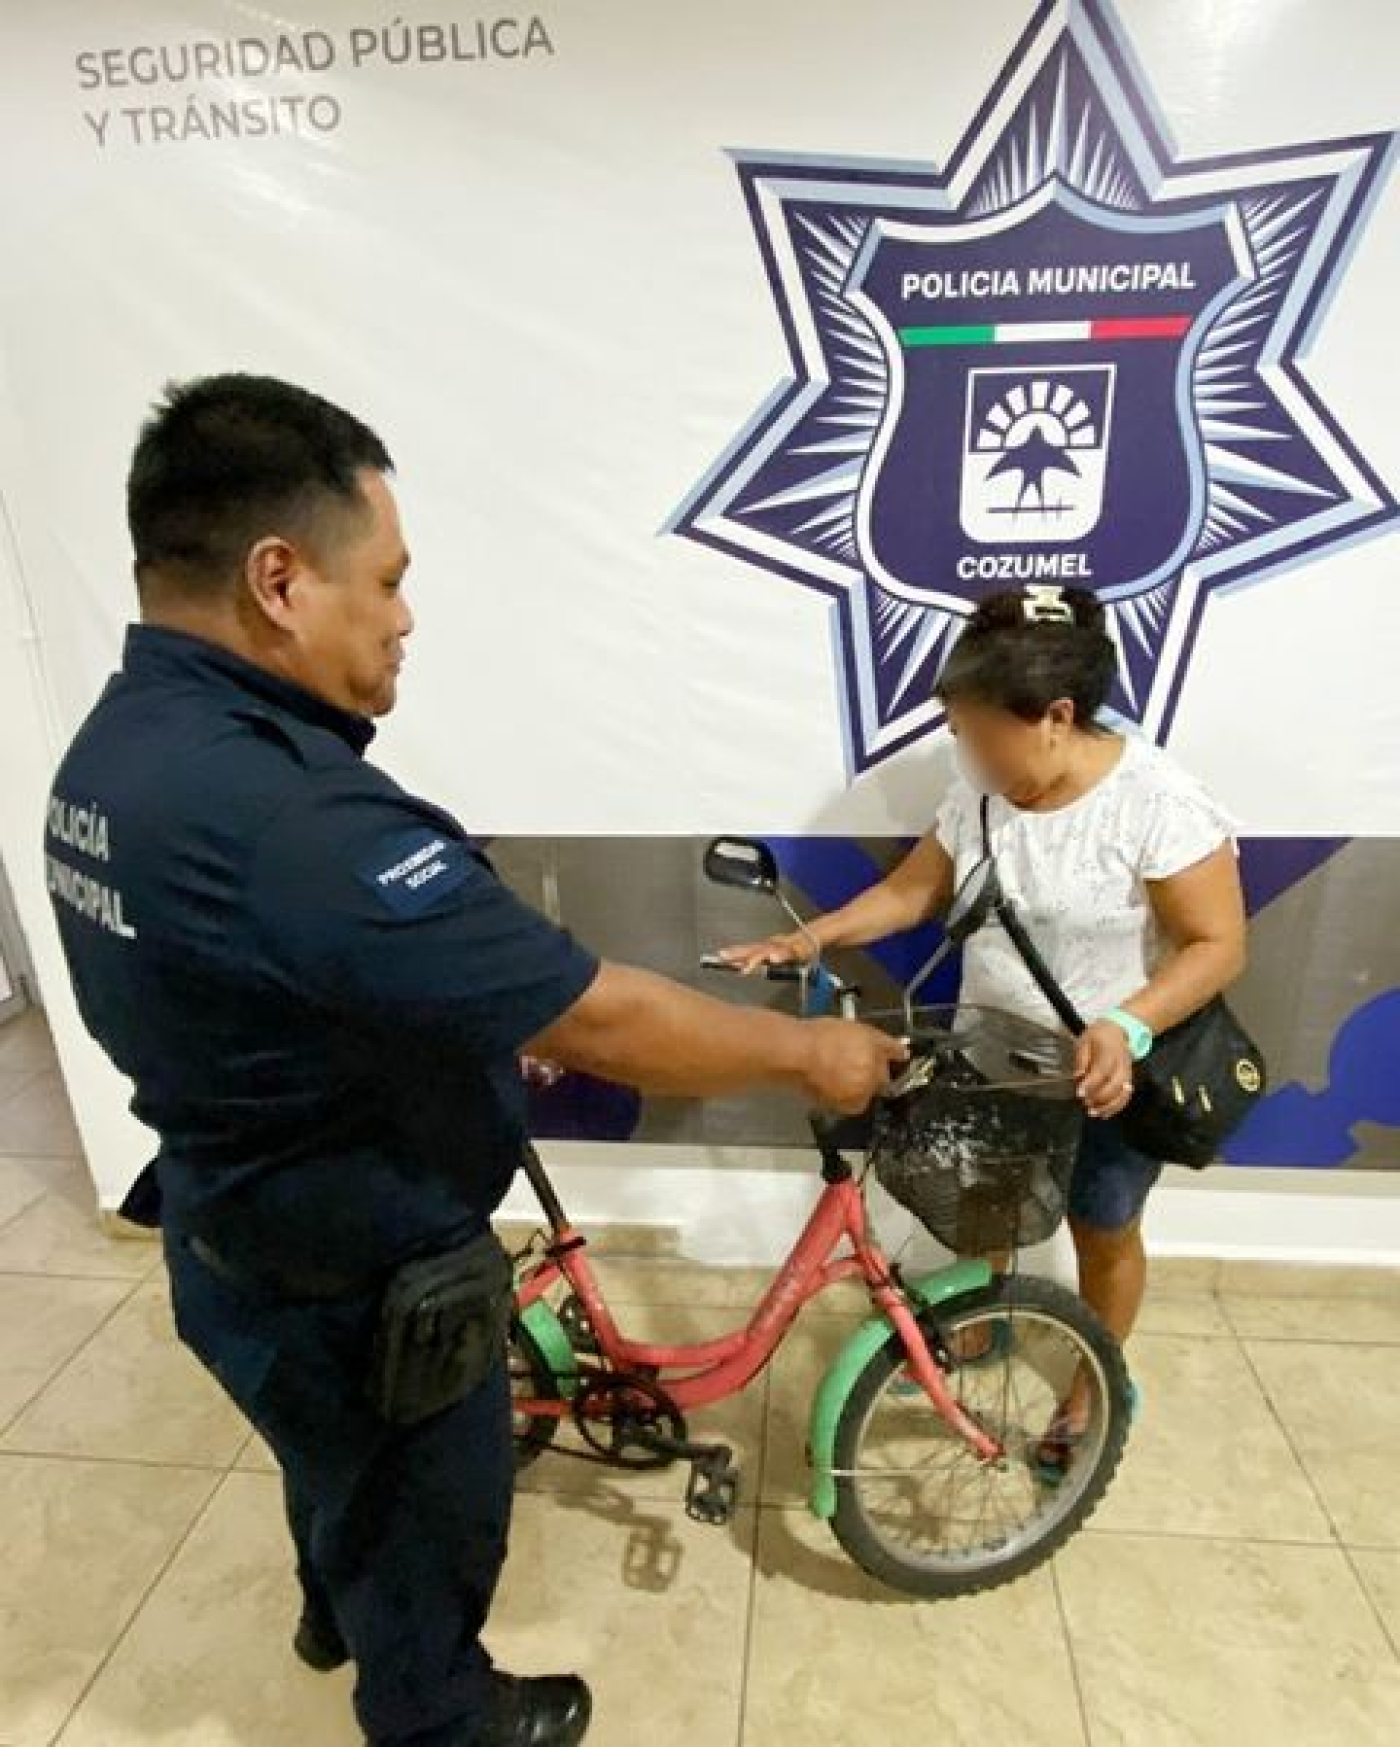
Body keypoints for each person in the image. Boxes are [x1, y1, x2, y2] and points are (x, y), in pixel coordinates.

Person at [43, 374, 906, 1747]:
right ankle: (437, 1703)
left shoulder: (112, 753)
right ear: (279, 578)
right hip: (366, 1280)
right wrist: (813, 1050)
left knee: (328, 1468)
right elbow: (604, 1015)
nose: (405, 613)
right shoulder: (292, 817)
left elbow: (271, 978)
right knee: (424, 1509)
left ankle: (336, 1605)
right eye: (383, 579)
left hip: (232, 1236)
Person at [720, 585, 1246, 1472]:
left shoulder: (1157, 801)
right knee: (987, 1204)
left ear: (1055, 717)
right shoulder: (983, 796)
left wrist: (1128, 1024)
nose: (965, 753)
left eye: (976, 733)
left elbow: (1218, 943)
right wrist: (807, 937)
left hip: (1108, 1067)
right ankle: (980, 1324)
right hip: (994, 1054)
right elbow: (912, 891)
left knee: (1102, 1222)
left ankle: (1095, 1378)